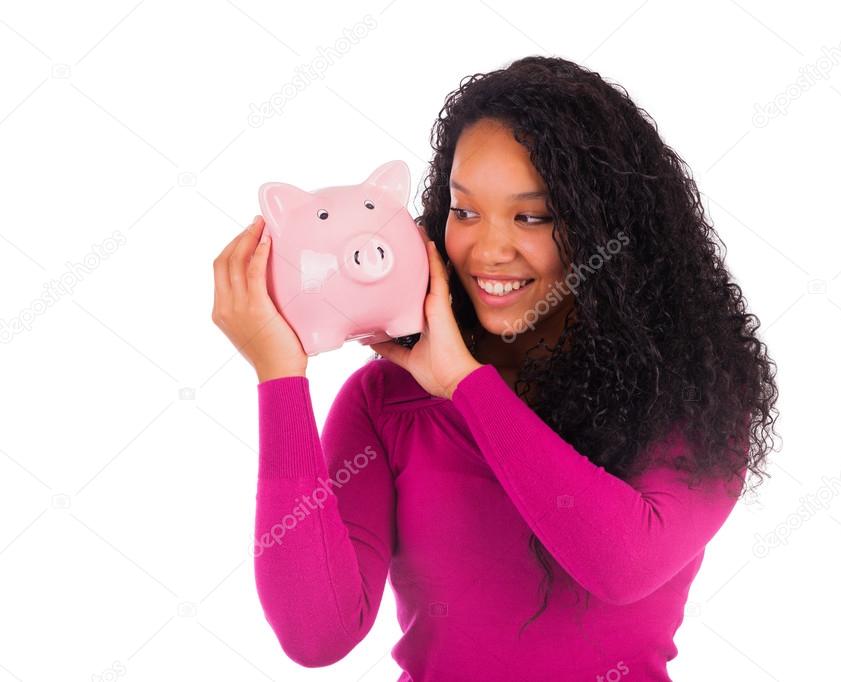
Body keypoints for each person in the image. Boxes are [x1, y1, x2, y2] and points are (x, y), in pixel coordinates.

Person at [212, 55, 779, 681]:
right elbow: (316, 636)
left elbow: (623, 565)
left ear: (605, 229)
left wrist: (466, 386)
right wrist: (280, 379)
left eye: (531, 216)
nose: (487, 250)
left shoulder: (693, 388)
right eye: (464, 211)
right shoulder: (385, 401)